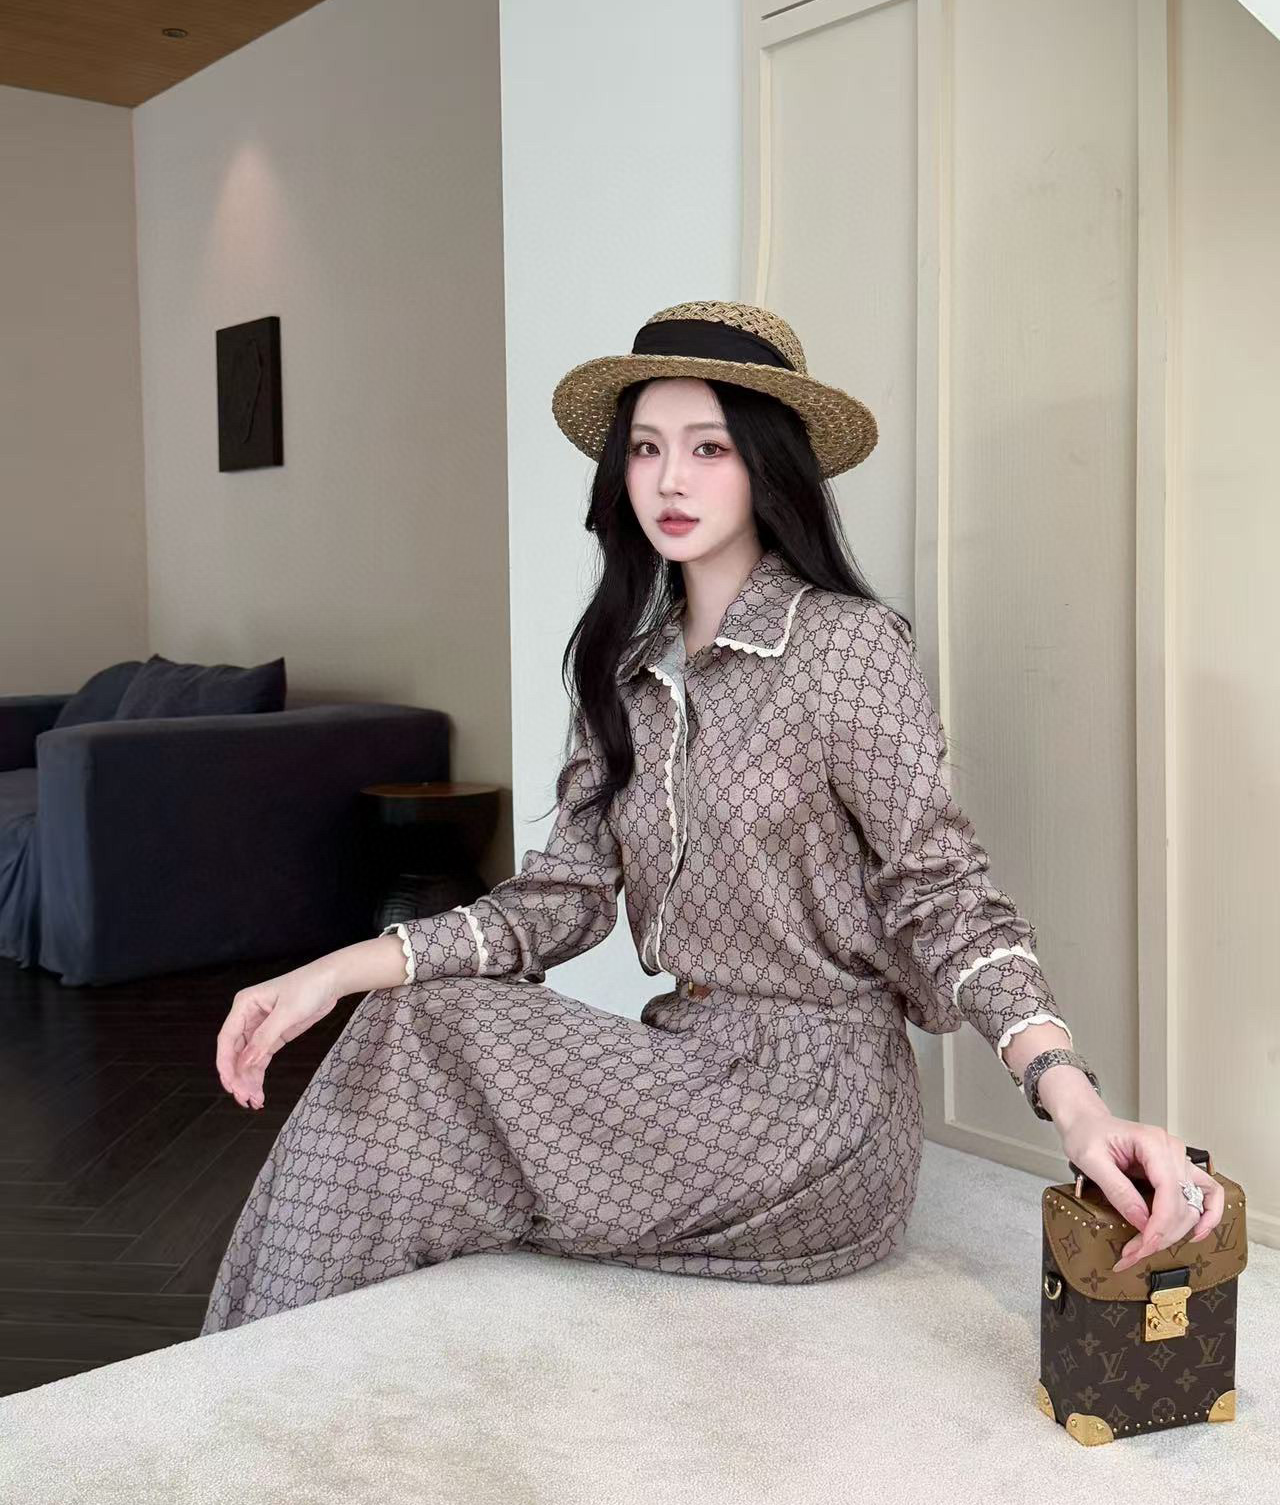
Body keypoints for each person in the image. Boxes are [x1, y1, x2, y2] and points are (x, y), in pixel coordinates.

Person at [200, 298, 1221, 1335]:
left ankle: (255, 1364)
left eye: (708, 447)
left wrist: (1071, 1097)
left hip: (823, 1111)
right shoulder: (624, 671)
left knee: (428, 1072)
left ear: (767, 466)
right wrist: (331, 971)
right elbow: (555, 904)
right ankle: (263, 1360)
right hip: (685, 1064)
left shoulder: (846, 649)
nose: (669, 480)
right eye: (645, 448)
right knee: (406, 1025)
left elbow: (944, 896)